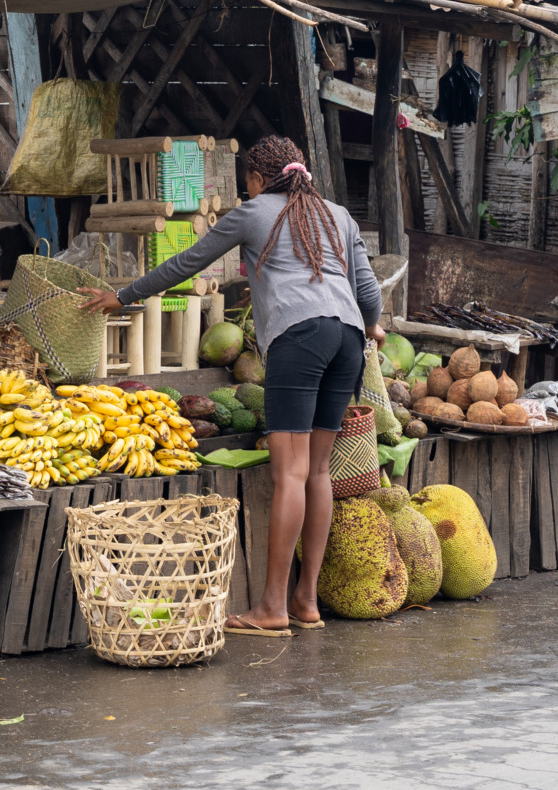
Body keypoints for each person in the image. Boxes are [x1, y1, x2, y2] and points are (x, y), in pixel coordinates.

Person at [75, 136, 383, 634]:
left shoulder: (254, 212)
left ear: (260, 180)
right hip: (347, 339)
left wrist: (124, 296)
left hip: (299, 339)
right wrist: (373, 324)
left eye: (248, 183)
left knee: (289, 475)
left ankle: (271, 608)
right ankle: (306, 602)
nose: (248, 190)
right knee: (319, 473)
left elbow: (186, 263)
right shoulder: (339, 215)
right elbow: (367, 291)